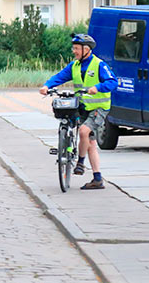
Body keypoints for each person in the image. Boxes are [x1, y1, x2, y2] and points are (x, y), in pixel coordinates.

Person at [39, 33, 117, 190]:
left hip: (98, 108)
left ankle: (80, 163)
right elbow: (60, 77)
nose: (73, 51)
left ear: (86, 49)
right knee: (91, 143)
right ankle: (97, 179)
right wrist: (47, 86)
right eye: (73, 48)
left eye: (76, 48)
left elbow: (112, 81)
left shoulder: (99, 65)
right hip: (82, 107)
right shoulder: (74, 66)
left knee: (83, 132)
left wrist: (98, 87)